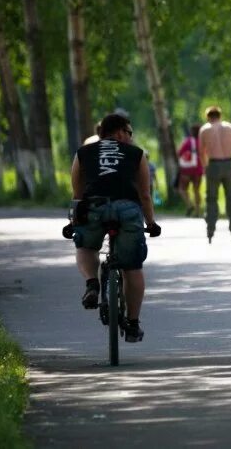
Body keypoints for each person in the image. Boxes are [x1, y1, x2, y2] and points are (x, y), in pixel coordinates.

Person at [67, 113, 161, 343]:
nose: (130, 137)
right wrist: (151, 223)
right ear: (120, 132)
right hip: (127, 210)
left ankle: (92, 283)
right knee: (132, 267)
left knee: (86, 248)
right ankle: (132, 324)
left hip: (93, 208)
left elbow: (77, 195)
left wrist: (73, 222)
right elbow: (145, 195)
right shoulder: (136, 154)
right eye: (129, 133)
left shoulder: (82, 153)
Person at [199, 106, 231, 243]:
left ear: (208, 116)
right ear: (220, 115)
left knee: (211, 199)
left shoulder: (205, 129)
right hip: (229, 164)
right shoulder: (230, 127)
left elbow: (201, 151)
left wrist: (205, 166)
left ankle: (210, 230)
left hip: (213, 163)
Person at [177, 124, 204, 217]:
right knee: (196, 190)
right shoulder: (202, 142)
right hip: (198, 168)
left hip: (187, 169)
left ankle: (189, 204)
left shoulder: (188, 141)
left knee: (182, 189)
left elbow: (179, 152)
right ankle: (197, 211)